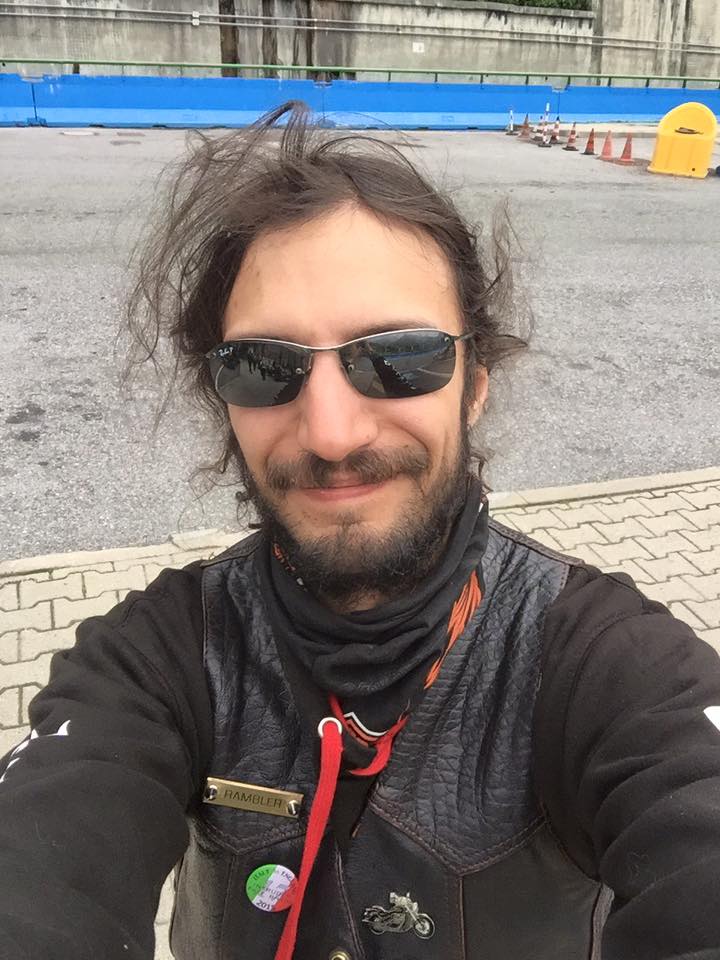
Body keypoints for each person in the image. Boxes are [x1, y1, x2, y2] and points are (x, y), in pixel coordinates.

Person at [1, 100, 720, 960]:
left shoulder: (602, 660)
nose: (332, 434)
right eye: (263, 367)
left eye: (398, 357)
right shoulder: (159, 658)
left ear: (475, 385)